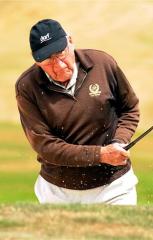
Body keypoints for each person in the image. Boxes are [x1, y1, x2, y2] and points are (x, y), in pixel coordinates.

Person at [15, 19, 140, 205]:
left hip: (114, 186)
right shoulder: (27, 86)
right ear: (36, 61)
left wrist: (118, 142)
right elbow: (46, 147)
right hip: (58, 192)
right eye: (48, 61)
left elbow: (129, 109)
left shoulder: (102, 63)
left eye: (60, 54)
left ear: (71, 41)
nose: (58, 65)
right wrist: (100, 154)